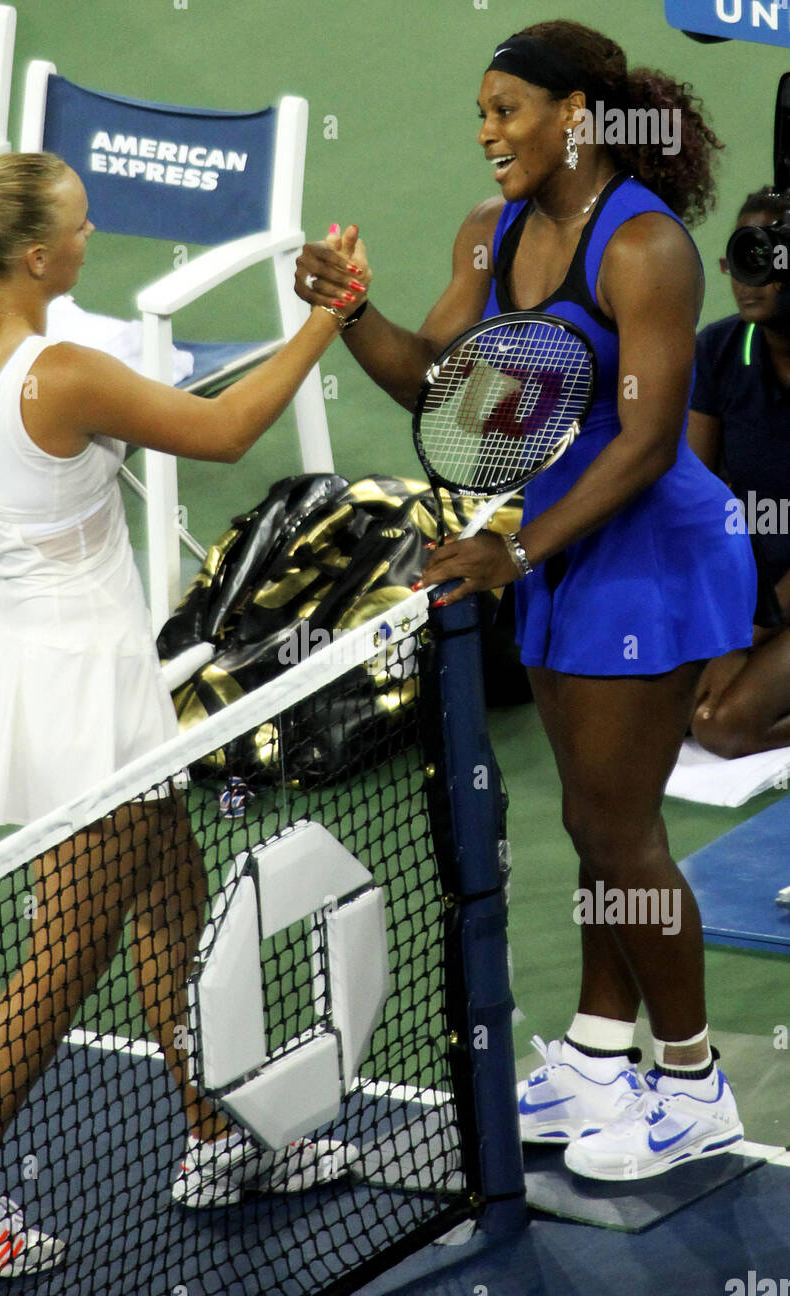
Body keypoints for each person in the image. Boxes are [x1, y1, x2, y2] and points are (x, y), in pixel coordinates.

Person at [0, 153, 370, 1276]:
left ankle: (211, 1138)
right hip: (84, 685)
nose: (94, 242)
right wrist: (325, 319)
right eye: (85, 231)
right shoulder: (63, 372)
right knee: (66, 950)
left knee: (170, 902)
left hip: (35, 665)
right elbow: (231, 428)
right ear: (40, 256)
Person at [295, 21, 755, 1182]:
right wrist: (351, 307)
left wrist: (519, 551)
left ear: (578, 117)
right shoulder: (489, 236)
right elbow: (435, 385)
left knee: (620, 828)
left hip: (646, 548)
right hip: (559, 548)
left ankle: (695, 1085)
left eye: (507, 110)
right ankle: (605, 1052)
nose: (487, 134)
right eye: (483, 114)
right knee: (594, 818)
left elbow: (649, 441)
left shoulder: (642, 246)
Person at [687, 188, 790, 758]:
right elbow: (698, 503)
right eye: (740, 256)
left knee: (722, 728)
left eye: (766, 257)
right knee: (668, 709)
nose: (747, 278)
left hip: (780, 601)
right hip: (752, 591)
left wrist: (743, 637)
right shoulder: (719, 350)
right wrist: (720, 624)